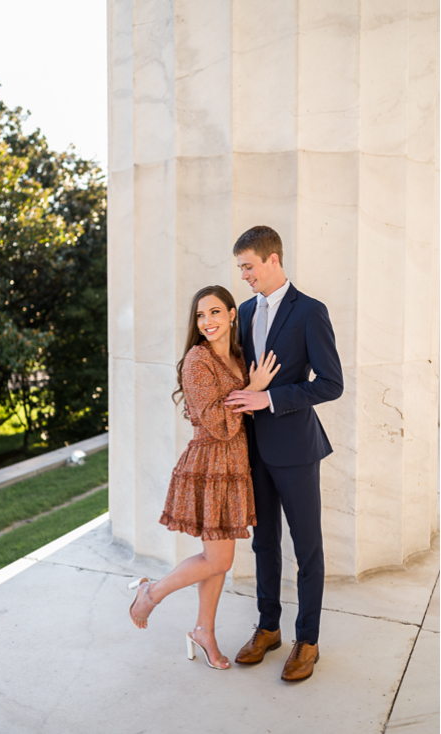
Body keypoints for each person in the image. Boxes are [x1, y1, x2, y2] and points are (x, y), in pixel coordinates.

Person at [128, 285, 280, 670]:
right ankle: (152, 592)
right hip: (210, 467)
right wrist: (254, 390)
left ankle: (203, 630)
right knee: (219, 559)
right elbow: (217, 424)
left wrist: (253, 391)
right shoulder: (196, 360)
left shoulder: (240, 357)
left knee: (216, 559)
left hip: (235, 468)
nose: (207, 322)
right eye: (200, 315)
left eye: (214, 312)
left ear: (232, 315)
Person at [224, 225, 343, 682]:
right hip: (252, 449)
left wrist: (268, 399)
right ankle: (267, 628)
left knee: (307, 547)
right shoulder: (246, 310)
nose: (245, 276)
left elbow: (330, 384)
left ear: (273, 260)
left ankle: (307, 640)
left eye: (249, 267)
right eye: (241, 269)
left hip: (295, 448)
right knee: (263, 542)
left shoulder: (311, 311)